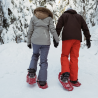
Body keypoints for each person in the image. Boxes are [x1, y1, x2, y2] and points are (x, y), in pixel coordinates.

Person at [55, 8, 91, 91]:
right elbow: (85, 28)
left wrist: (56, 38)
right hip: (77, 40)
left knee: (64, 55)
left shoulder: (64, 15)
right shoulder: (79, 17)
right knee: (74, 58)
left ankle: (65, 73)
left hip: (67, 39)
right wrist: (88, 38)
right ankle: (74, 79)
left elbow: (58, 26)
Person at [26, 7, 59, 89]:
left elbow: (30, 30)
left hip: (35, 40)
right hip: (45, 41)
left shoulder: (33, 18)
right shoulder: (49, 18)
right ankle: (42, 81)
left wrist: (29, 42)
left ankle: (31, 73)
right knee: (43, 61)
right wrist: (56, 40)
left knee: (35, 55)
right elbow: (53, 30)